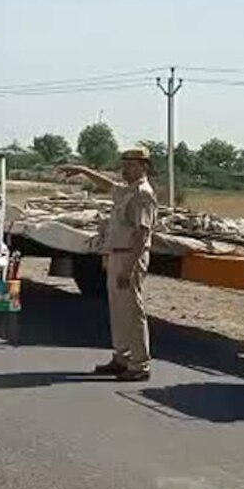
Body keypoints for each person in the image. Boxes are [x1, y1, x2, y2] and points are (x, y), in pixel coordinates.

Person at [58, 146, 158, 382]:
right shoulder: (127, 191)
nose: (126, 169)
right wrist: (82, 170)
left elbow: (142, 235)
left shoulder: (143, 193)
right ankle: (121, 357)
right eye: (124, 164)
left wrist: (129, 267)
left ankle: (139, 364)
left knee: (133, 312)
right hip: (116, 254)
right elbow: (107, 185)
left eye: (132, 164)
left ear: (144, 167)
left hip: (129, 257)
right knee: (119, 310)